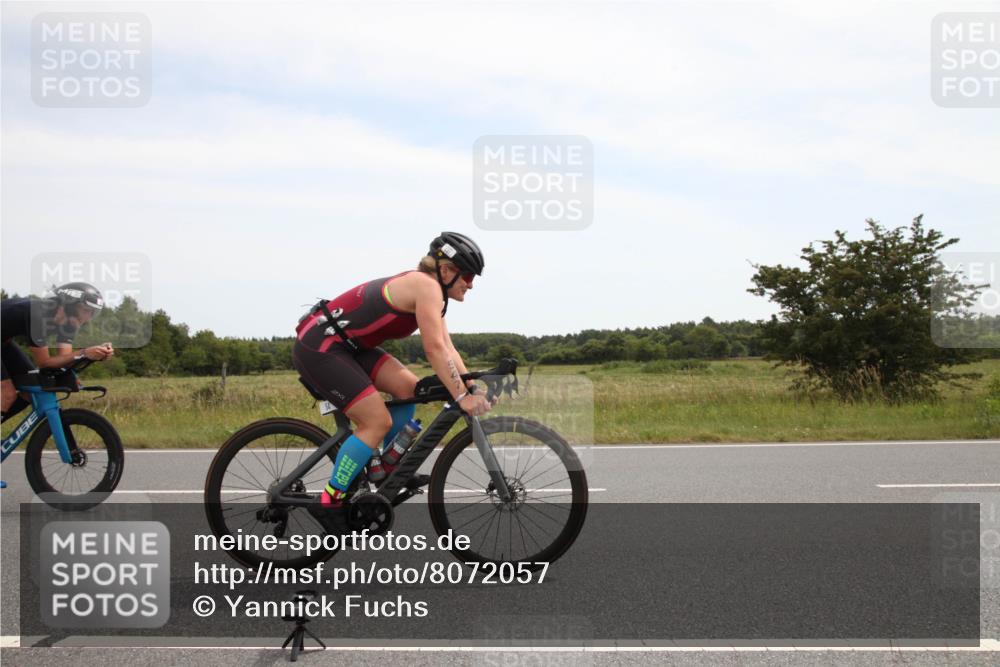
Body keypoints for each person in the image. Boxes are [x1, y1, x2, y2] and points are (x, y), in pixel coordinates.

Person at [294, 232, 493, 534]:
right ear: (446, 270)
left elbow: (447, 347)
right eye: (466, 274)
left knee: (409, 391)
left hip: (348, 346)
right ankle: (330, 500)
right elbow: (434, 350)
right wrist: (461, 396)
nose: (471, 283)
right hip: (321, 347)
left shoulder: (432, 292)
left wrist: (469, 386)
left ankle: (387, 470)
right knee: (376, 422)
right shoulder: (427, 286)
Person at [1, 282, 114, 488]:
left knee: (29, 393)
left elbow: (64, 359)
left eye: (92, 312)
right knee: (7, 393)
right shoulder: (39, 316)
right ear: (70, 304)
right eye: (86, 310)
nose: (88, 317)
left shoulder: (68, 323)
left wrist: (93, 356)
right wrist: (83, 352)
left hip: (4, 341)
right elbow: (44, 363)